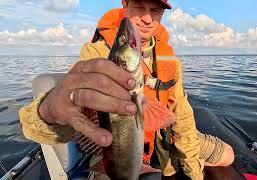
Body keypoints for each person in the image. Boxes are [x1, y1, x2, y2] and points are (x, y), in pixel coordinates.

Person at [19, 0, 234, 179]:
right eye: (139, 7)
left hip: (162, 139)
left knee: (229, 155)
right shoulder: (96, 54)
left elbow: (182, 115)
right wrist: (46, 113)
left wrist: (192, 170)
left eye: (155, 10)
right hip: (115, 150)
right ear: (125, 4)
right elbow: (69, 114)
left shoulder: (169, 57)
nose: (147, 19)